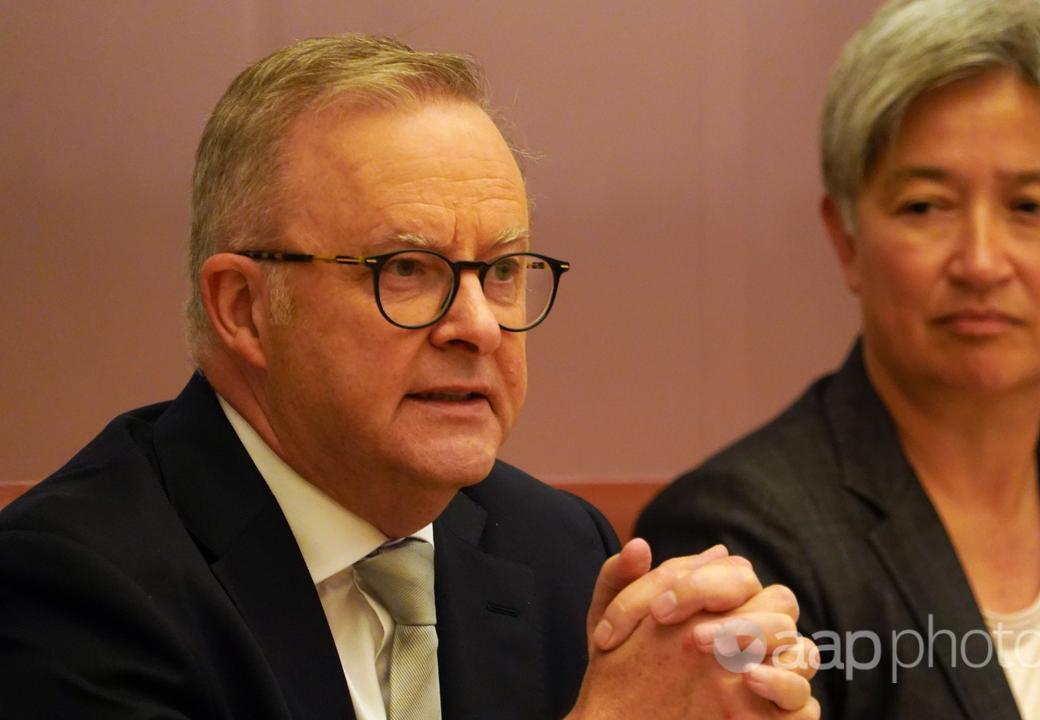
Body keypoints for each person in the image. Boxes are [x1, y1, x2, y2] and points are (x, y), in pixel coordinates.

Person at [0, 35, 819, 719]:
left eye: (502, 270)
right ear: (245, 307)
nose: (479, 326)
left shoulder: (558, 550)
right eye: (407, 269)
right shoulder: (73, 588)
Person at [637, 0, 1040, 718]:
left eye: (1031, 207)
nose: (982, 262)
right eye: (926, 206)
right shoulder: (736, 543)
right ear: (846, 239)